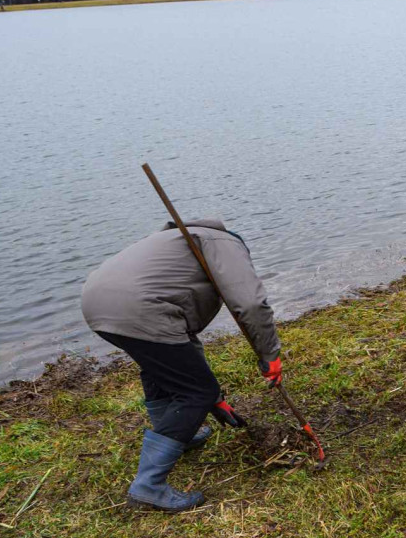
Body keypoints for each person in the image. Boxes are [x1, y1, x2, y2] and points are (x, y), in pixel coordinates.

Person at [82, 219, 283, 511]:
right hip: (141, 308)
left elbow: (181, 343)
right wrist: (270, 355)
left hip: (96, 303)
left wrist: (216, 401)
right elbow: (251, 304)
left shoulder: (180, 239)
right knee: (196, 392)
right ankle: (148, 486)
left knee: (160, 364)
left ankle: (178, 432)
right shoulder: (226, 244)